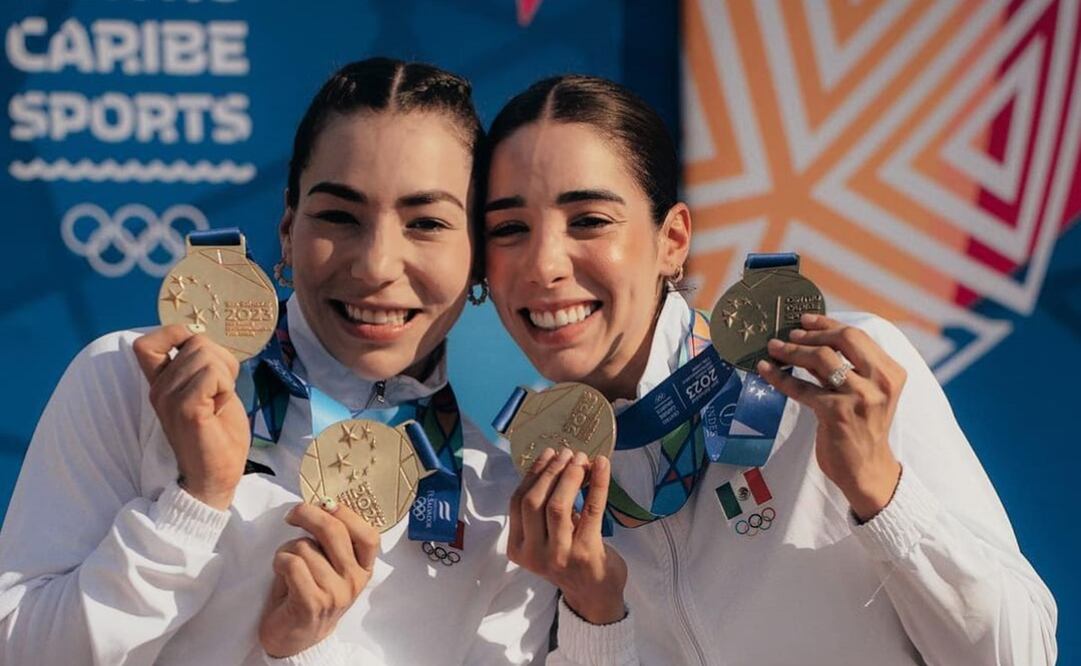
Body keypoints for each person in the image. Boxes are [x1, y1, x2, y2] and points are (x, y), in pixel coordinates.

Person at [478, 74, 1057, 665]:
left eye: (589, 220)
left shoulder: (838, 382)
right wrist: (593, 612)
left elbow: (1022, 655)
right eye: (509, 229)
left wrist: (883, 492)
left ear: (672, 240)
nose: (544, 264)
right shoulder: (529, 487)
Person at [0, 58, 555, 665]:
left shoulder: (497, 497)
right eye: (339, 216)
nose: (375, 265)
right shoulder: (134, 380)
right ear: (289, 228)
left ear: (477, 256)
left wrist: (303, 651)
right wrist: (190, 507)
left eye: (425, 223)